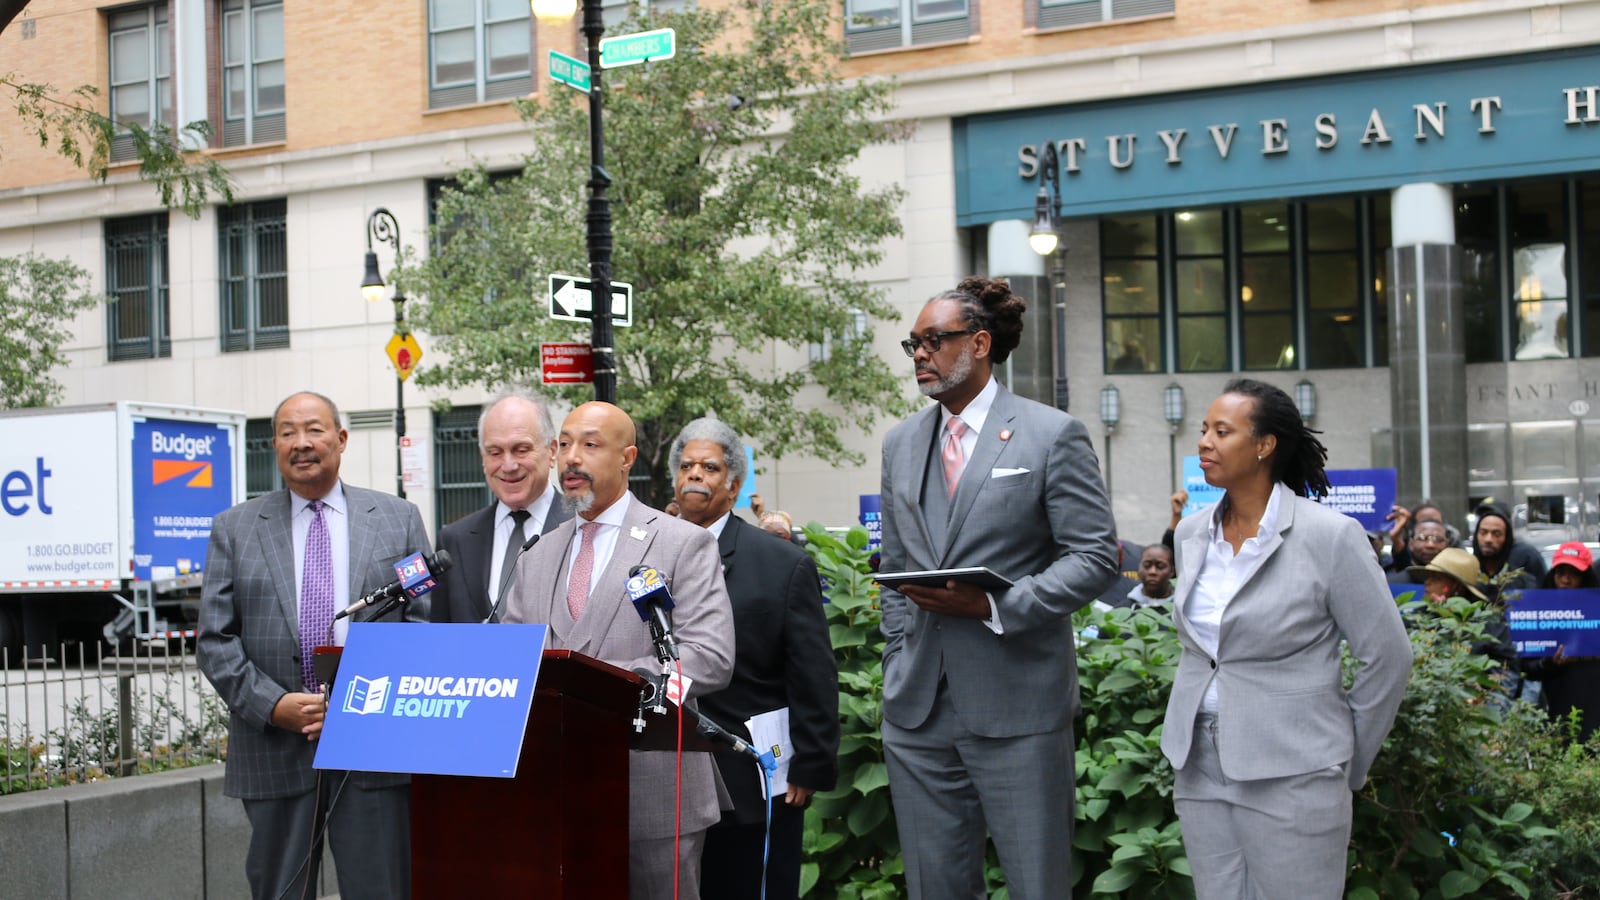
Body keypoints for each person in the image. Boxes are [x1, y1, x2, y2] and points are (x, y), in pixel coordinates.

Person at [877, 276, 1120, 899]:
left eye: (934, 340)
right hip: (918, 710)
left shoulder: (1050, 434)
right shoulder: (901, 443)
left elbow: (1094, 557)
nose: (921, 355)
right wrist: (895, 655)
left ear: (980, 343)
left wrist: (995, 605)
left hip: (1020, 707)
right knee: (936, 889)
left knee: (1037, 887)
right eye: (913, 344)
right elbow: (897, 563)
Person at [1161, 378, 1412, 899]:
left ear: (1264, 445)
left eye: (1222, 430)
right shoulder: (1191, 533)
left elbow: (1387, 657)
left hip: (1296, 769)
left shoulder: (1330, 535)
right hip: (1199, 763)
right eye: (1204, 429)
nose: (1204, 440)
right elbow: (1203, 652)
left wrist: (1344, 759)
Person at [197, 391, 430, 900]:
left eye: (315, 430)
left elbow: (422, 628)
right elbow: (215, 640)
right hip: (274, 750)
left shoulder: (399, 519)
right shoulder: (234, 529)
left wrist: (357, 705)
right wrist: (272, 705)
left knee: (383, 889)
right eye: (287, 432)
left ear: (341, 439)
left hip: (374, 751)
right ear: (274, 445)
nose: (301, 443)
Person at [502, 401, 735, 900]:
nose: (571, 459)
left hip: (655, 793)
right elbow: (511, 660)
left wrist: (613, 686)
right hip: (555, 794)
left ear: (627, 458)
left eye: (589, 445)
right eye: (563, 445)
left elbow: (710, 657)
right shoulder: (537, 555)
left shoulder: (681, 544)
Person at [669, 418, 839, 900]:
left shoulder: (781, 564)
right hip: (667, 772)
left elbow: (812, 673)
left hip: (752, 778)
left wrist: (809, 765)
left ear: (735, 484)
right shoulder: (648, 554)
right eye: (686, 466)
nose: (695, 475)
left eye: (709, 467)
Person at [431, 390, 572, 623]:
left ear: (552, 451)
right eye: (495, 452)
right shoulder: (454, 540)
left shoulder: (582, 528)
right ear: (482, 458)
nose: (508, 465)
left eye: (521, 449)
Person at [1520, 541, 1600, 743]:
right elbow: (1527, 667)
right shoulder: (1537, 613)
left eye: (1573, 573)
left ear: (1585, 577)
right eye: (1560, 572)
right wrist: (1551, 663)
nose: (1566, 580)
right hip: (1557, 709)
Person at [1472, 498, 1546, 595]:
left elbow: (1545, 596)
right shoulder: (1469, 562)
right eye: (1483, 532)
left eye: (1496, 533)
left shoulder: (1526, 556)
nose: (1488, 539)